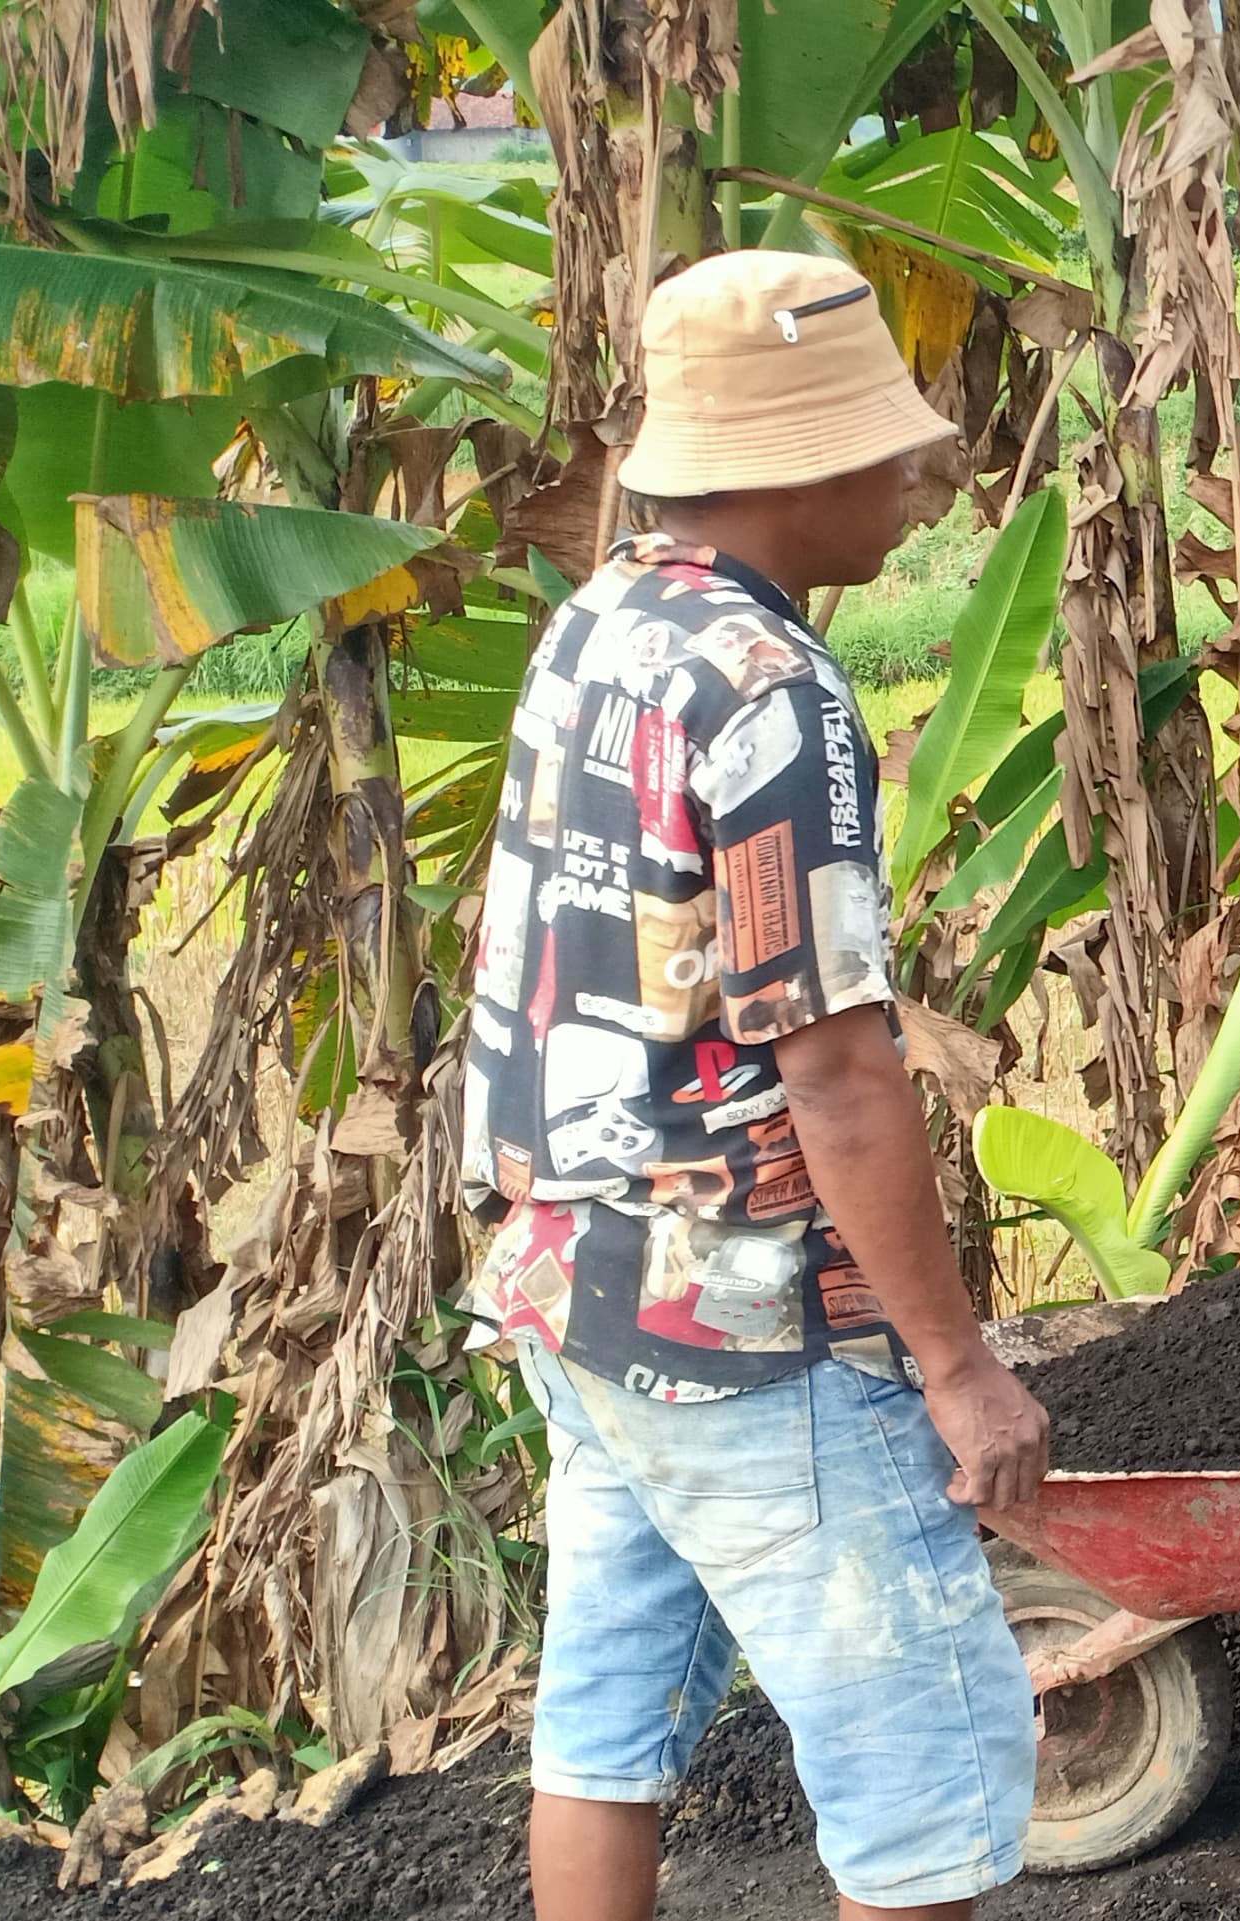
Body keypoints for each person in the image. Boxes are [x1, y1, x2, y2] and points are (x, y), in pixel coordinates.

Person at [455, 249, 1049, 1921]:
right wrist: (957, 1367)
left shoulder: (604, 620)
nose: (916, 486)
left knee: (606, 1721)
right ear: (803, 470)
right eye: (892, 453)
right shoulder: (775, 693)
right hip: (748, 1318)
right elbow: (840, 1072)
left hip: (583, 1288)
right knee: (922, 1769)